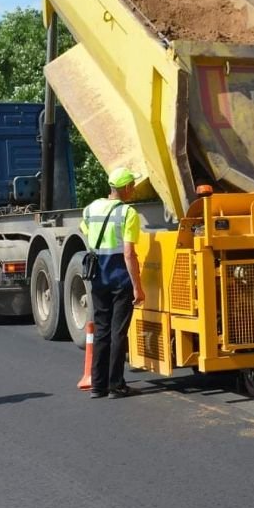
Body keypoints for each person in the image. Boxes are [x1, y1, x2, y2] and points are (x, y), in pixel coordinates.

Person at [80, 166, 146, 399]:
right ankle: (116, 385)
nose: (134, 189)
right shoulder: (128, 213)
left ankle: (98, 385)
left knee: (102, 330)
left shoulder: (91, 209)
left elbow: (87, 234)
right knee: (119, 332)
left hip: (99, 277)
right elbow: (129, 253)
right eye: (133, 186)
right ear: (126, 188)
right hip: (120, 277)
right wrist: (138, 286)